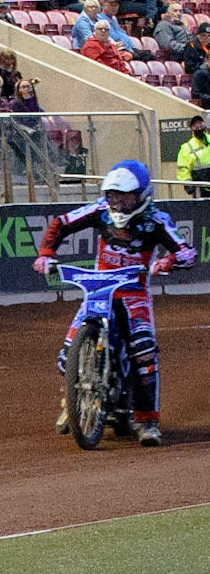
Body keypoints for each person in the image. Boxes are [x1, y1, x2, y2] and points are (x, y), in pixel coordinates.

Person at [33, 160, 195, 446]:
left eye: (125, 195)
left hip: (134, 294)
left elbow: (186, 252)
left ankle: (148, 421)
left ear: (141, 195)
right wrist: (46, 253)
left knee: (143, 352)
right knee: (66, 352)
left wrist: (169, 261)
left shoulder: (156, 221)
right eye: (113, 195)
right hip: (98, 289)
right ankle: (71, 401)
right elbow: (61, 223)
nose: (118, 203)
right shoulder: (100, 211)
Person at [174, 115, 210, 197]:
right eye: (195, 125)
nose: (199, 127)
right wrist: (189, 185)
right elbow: (183, 169)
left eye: (200, 124)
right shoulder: (187, 148)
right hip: (201, 189)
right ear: (191, 128)